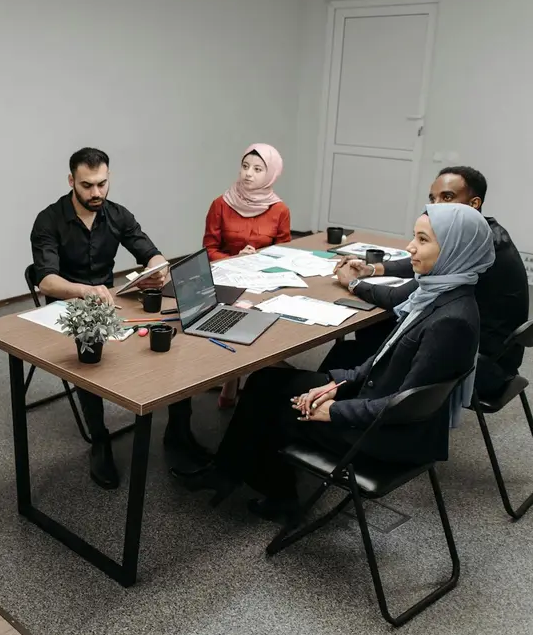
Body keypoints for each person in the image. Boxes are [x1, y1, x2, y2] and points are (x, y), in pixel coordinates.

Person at [174, 204, 493, 521]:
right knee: (265, 381)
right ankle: (227, 472)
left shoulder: (451, 321)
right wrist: (336, 383)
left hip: (386, 433)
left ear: (455, 249)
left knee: (278, 410)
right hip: (376, 401)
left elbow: (404, 406)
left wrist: (334, 410)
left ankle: (277, 492)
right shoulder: (439, 294)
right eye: (414, 237)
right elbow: (385, 357)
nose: (410, 247)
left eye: (422, 240)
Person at [30, 147, 200, 489]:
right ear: (71, 181)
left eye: (102, 184)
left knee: (171, 332)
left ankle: (179, 430)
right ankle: (100, 439)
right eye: (88, 185)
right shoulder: (49, 219)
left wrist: (158, 270)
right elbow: (45, 279)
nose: (96, 193)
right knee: (89, 348)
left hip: (112, 300)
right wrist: (83, 291)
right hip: (67, 306)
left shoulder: (117, 214)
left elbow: (151, 252)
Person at [325, 166, 527, 398]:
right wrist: (373, 268)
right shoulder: (478, 232)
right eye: (433, 198)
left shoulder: (482, 248)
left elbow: (397, 297)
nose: (435, 206)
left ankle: (344, 404)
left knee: (371, 335)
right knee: (377, 330)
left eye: (447, 197)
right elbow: (427, 261)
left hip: (485, 365)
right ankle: (357, 391)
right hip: (489, 348)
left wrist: (352, 283)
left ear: (474, 204)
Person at [203, 144, 292, 408]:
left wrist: (258, 260)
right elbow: (209, 249)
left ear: (272, 173)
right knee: (233, 316)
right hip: (225, 276)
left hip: (262, 279)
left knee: (269, 317)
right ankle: (229, 378)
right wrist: (235, 260)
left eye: (257, 169)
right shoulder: (220, 204)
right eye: (245, 167)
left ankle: (244, 376)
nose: (248, 174)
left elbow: (285, 252)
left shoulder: (279, 210)